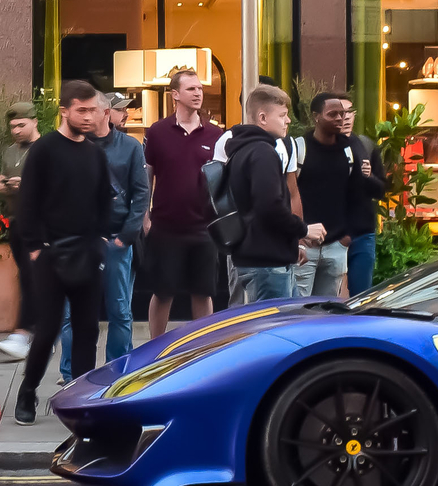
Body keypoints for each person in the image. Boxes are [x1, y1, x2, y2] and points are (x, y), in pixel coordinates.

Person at [11, 81, 117, 422]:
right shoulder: (44, 150)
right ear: (65, 111)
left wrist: (101, 238)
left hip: (87, 252)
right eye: (81, 110)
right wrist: (35, 248)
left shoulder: (95, 153)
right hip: (50, 254)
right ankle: (27, 393)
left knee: (88, 330)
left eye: (92, 110)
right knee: (48, 329)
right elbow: (27, 201)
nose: (88, 117)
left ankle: (80, 398)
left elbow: (105, 199)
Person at [142, 66, 222, 338]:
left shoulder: (216, 134)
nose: (198, 93)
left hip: (204, 227)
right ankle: (155, 348)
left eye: (200, 88)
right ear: (175, 94)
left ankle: (204, 346)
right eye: (191, 88)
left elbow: (223, 180)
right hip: (165, 226)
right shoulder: (157, 132)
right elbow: (147, 178)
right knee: (163, 292)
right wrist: (145, 219)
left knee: (203, 291)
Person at [227, 84, 309, 304]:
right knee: (275, 332)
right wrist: (304, 229)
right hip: (267, 263)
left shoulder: (244, 149)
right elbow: (269, 207)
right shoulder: (262, 152)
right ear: (262, 118)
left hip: (262, 259)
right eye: (282, 115)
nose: (288, 120)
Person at [299, 92, 384, 296]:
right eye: (334, 114)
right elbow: (290, 193)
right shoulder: (300, 147)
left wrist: (345, 237)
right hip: (308, 242)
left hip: (343, 240)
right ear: (316, 116)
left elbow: (367, 192)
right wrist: (298, 234)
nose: (341, 118)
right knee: (298, 308)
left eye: (345, 113)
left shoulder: (355, 148)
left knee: (337, 305)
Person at [96, 92, 151, 361]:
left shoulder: (131, 145)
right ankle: (70, 372)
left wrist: (127, 235)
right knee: (74, 312)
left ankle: (117, 366)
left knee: (120, 309)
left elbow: (142, 193)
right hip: (85, 239)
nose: (126, 114)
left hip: (118, 238)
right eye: (121, 110)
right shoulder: (79, 143)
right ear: (106, 112)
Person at [0, 102, 45, 360]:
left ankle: (24, 333)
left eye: (21, 125)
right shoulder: (10, 152)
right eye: (12, 126)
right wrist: (11, 186)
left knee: (34, 277)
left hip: (42, 223)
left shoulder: (47, 149)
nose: (16, 131)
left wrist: (26, 184)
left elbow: (55, 186)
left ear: (35, 122)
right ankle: (40, 332)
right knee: (27, 276)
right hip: (16, 220)